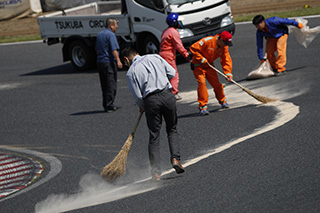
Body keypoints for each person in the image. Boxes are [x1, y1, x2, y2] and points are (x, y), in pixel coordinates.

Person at [122, 47, 184, 181]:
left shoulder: (131, 72)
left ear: (126, 59)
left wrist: (142, 107)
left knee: (154, 136)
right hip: (167, 96)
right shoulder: (155, 57)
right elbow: (172, 73)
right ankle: (175, 159)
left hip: (151, 101)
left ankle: (156, 172)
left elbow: (138, 96)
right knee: (172, 129)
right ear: (137, 53)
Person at [189, 31, 234, 116]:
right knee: (202, 84)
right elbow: (193, 48)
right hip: (198, 66)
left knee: (217, 84)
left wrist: (228, 73)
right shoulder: (207, 41)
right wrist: (202, 59)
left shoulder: (224, 47)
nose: (226, 45)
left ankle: (222, 101)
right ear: (220, 39)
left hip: (209, 66)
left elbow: (226, 60)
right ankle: (203, 106)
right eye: (225, 43)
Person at [159, 13, 191, 101]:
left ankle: (166, 91)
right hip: (168, 54)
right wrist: (186, 54)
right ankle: (174, 92)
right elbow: (178, 45)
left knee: (165, 74)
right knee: (174, 74)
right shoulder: (173, 31)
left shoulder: (166, 31)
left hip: (162, 53)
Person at [96, 18, 123, 112]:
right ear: (111, 25)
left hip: (100, 62)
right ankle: (109, 104)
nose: (117, 26)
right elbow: (114, 49)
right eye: (116, 24)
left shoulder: (100, 34)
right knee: (111, 83)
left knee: (104, 84)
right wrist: (118, 60)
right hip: (108, 62)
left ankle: (106, 103)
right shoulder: (111, 35)